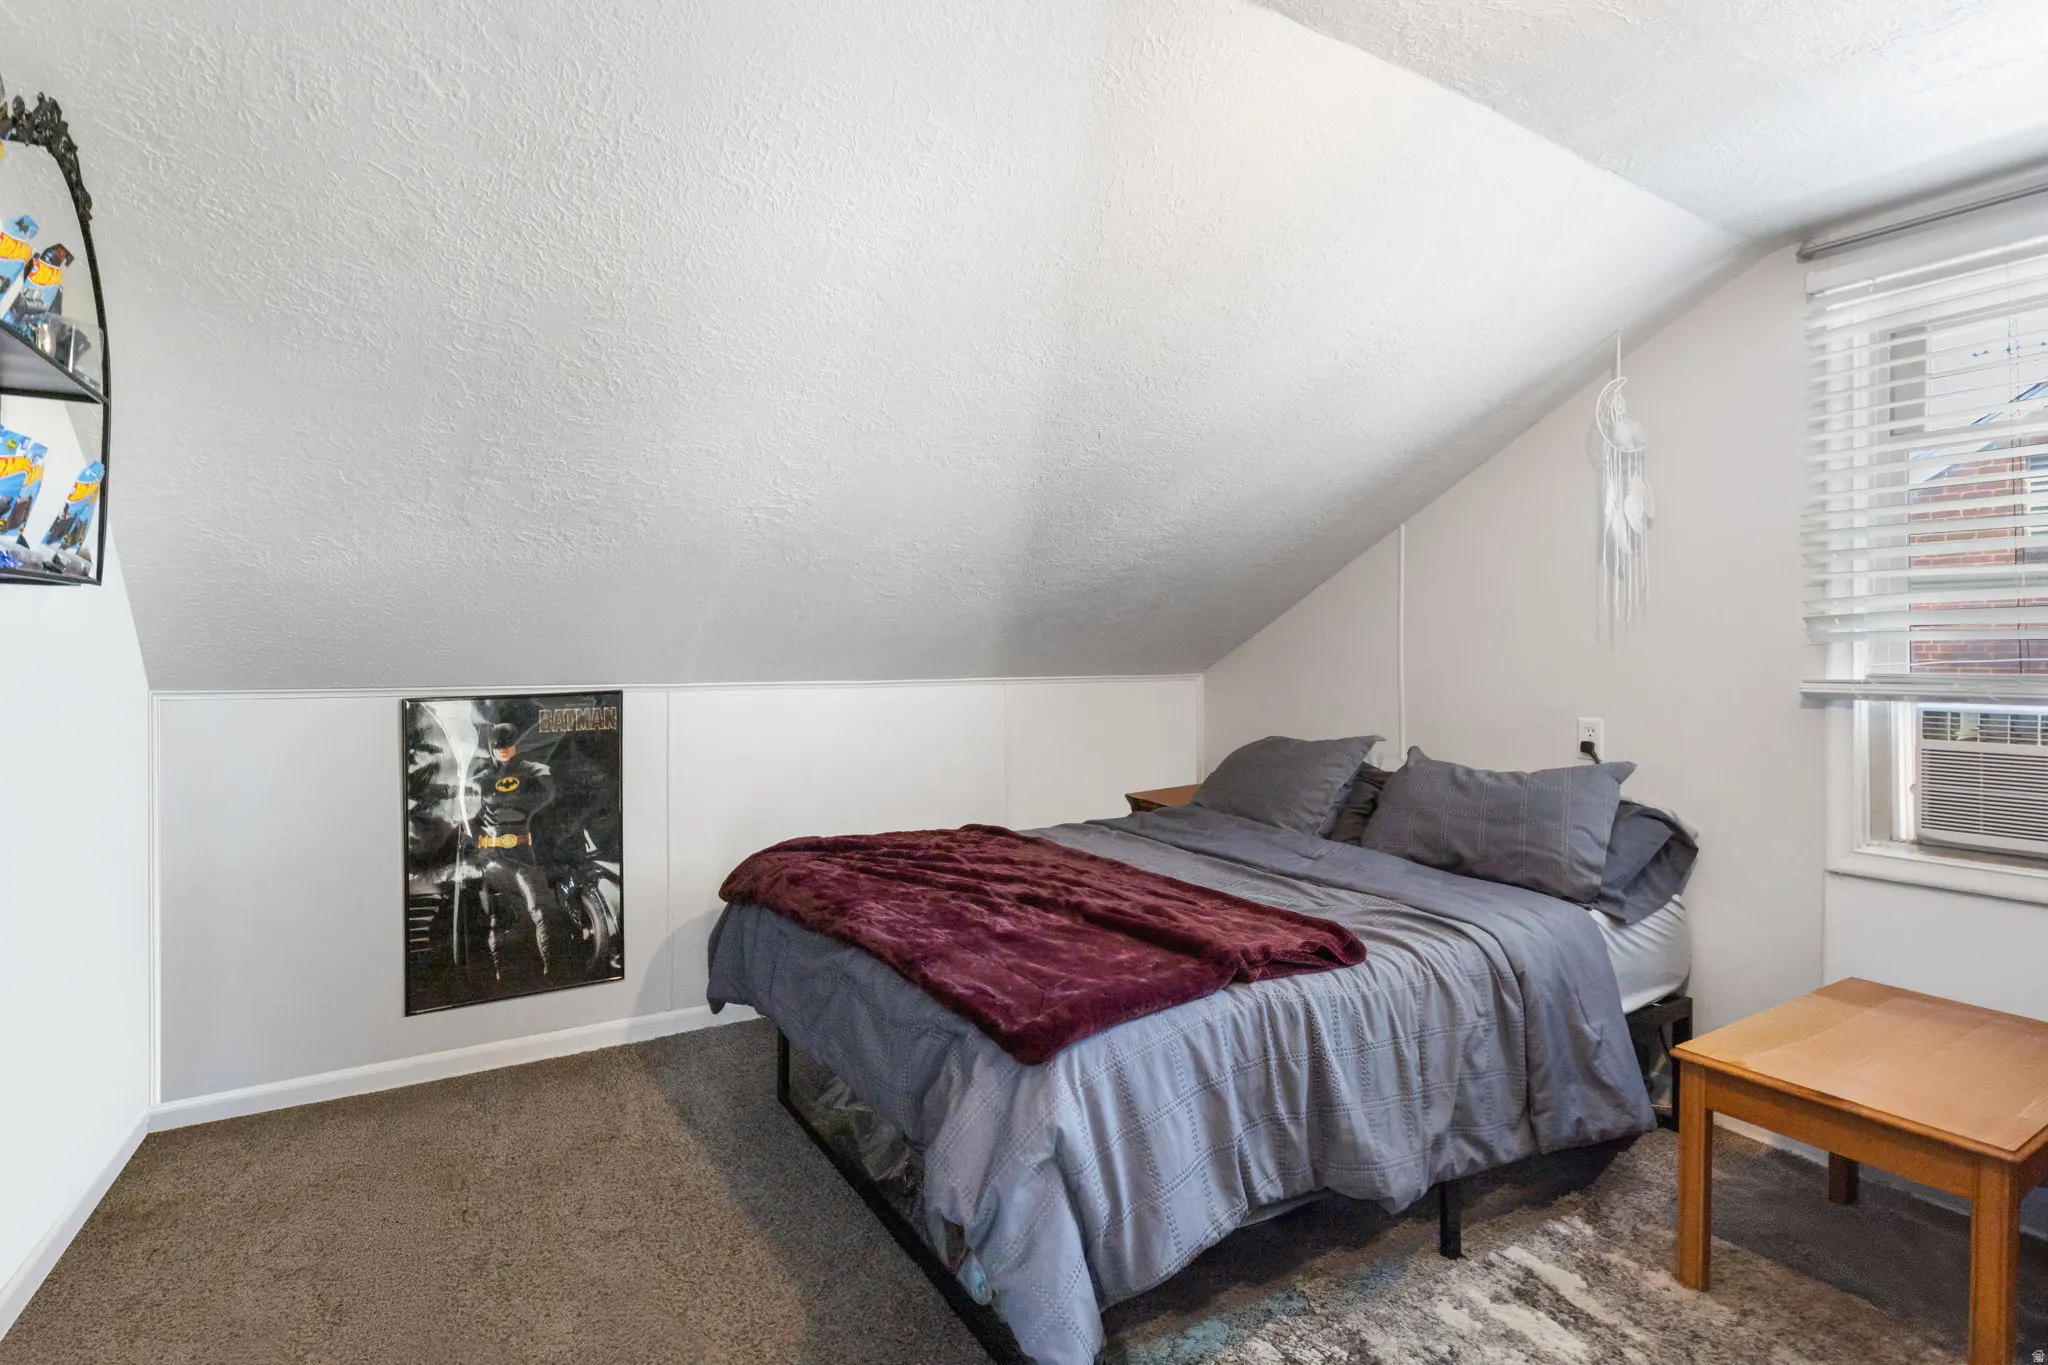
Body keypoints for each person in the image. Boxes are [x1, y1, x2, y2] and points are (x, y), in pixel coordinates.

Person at [467, 722, 566, 980]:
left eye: (508, 745)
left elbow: (548, 795)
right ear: (491, 747)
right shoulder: (480, 779)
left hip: (523, 852)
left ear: (515, 745)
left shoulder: (533, 770)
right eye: (498, 746)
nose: (503, 749)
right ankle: (503, 976)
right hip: (491, 857)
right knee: (500, 916)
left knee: (541, 909)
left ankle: (553, 973)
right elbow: (468, 817)